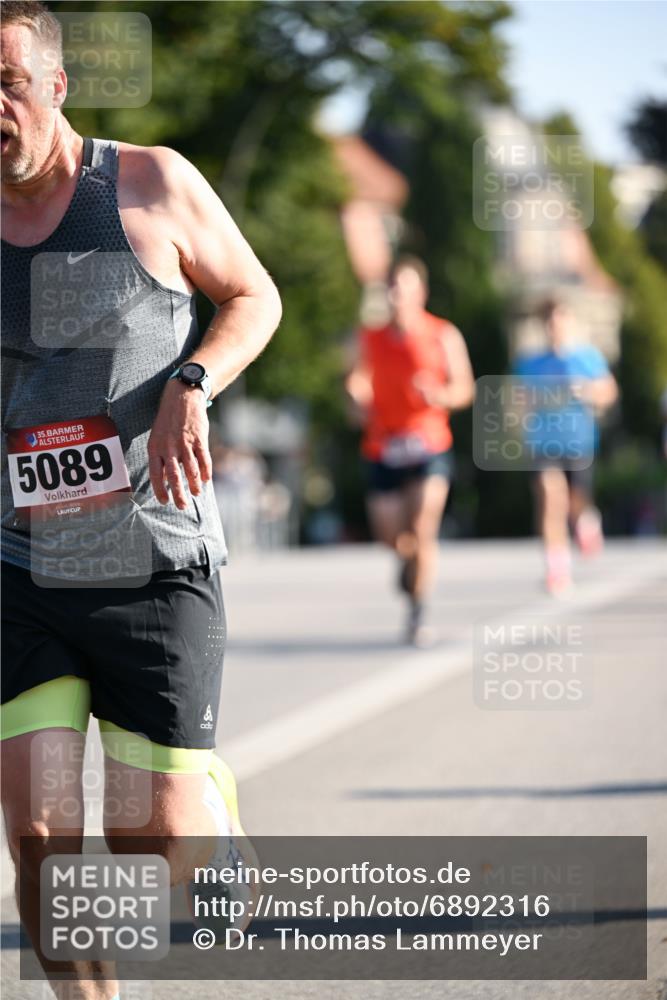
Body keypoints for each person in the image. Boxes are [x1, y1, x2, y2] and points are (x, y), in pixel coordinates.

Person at [0, 3, 281, 997]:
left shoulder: (150, 184)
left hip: (151, 561)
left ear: (57, 86)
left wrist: (190, 382)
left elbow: (254, 295)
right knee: (37, 832)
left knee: (150, 838)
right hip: (21, 566)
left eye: (8, 85)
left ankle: (207, 815)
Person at [345, 256, 475, 646]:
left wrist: (440, 394)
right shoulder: (368, 337)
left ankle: (418, 612)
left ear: (421, 293)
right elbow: (355, 381)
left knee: (423, 528)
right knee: (391, 536)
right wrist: (355, 394)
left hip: (428, 442)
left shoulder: (443, 335)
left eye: (406, 288)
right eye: (393, 288)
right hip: (383, 445)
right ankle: (405, 559)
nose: (398, 296)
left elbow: (465, 388)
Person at [513, 297, 618, 594]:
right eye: (549, 322)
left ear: (569, 322)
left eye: (560, 320)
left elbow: (608, 393)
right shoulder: (530, 363)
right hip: (543, 442)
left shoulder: (587, 357)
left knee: (575, 501)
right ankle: (556, 567)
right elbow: (518, 402)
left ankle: (586, 522)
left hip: (577, 442)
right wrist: (533, 402)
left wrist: (585, 390)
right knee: (550, 497)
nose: (554, 327)